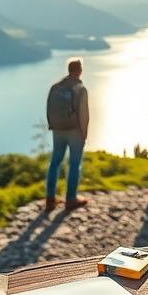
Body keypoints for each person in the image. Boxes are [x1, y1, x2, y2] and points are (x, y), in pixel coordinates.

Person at [45, 59, 89, 212]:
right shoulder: (80, 88)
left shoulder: (56, 87)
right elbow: (84, 115)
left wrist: (53, 125)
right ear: (79, 71)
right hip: (75, 131)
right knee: (74, 164)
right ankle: (71, 199)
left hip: (57, 130)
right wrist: (84, 134)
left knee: (55, 162)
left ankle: (50, 199)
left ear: (69, 69)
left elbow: (49, 109)